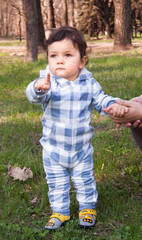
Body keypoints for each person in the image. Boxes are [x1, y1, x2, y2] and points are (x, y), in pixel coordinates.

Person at [26, 26, 127, 230]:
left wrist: (113, 105)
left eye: (68, 55)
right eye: (53, 55)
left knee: (84, 179)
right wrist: (37, 87)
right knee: (56, 182)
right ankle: (60, 211)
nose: (59, 60)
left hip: (81, 148)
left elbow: (101, 100)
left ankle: (87, 207)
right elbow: (34, 96)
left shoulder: (88, 83)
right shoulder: (48, 83)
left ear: (82, 61)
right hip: (54, 149)